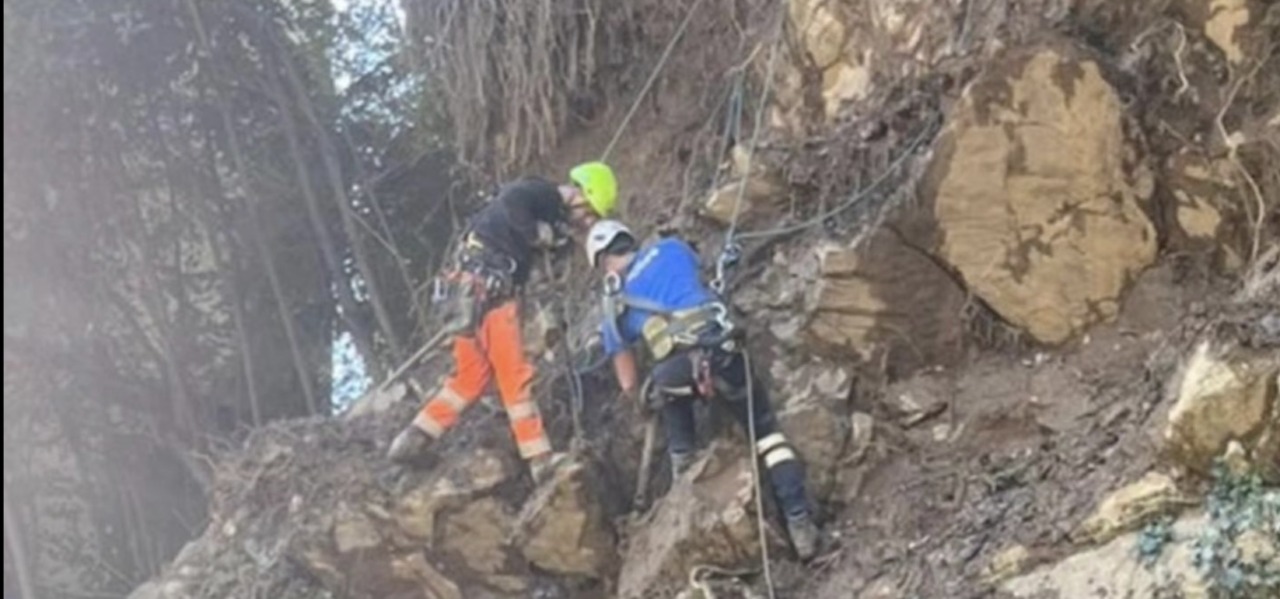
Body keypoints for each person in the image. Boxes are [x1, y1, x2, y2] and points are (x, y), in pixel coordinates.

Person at [585, 220, 821, 560]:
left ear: (604, 262)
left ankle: (684, 469)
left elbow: (627, 382)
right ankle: (800, 525)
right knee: (768, 434)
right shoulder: (671, 248)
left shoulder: (614, 302)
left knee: (666, 394)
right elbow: (699, 274)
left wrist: (640, 399)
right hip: (723, 351)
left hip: (677, 373)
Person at [388, 162, 618, 483]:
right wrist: (536, 234)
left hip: (467, 293)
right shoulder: (544, 193)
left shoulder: (547, 212)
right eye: (589, 212)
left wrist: (554, 242)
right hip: (492, 294)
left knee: (471, 378)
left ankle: (413, 438)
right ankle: (540, 459)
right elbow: (512, 199)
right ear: (581, 195)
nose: (586, 220)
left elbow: (533, 241)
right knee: (515, 376)